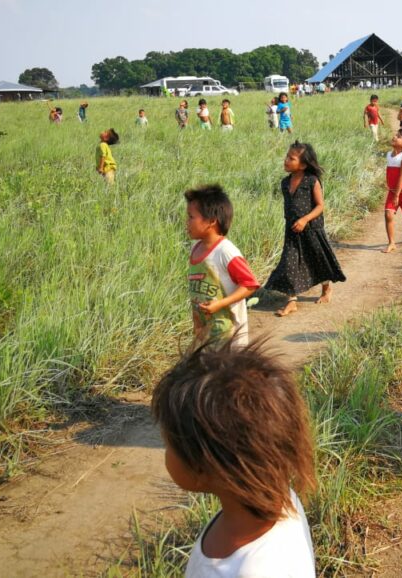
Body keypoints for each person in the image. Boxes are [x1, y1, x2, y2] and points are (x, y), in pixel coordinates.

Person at [151, 339, 316, 578]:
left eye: (168, 445)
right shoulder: (279, 496)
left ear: (205, 468)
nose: (166, 454)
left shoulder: (255, 571)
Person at [265, 142, 345, 317]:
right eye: (286, 156)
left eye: (291, 158)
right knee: (289, 263)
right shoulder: (285, 183)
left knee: (318, 260)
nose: (286, 160)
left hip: (312, 229)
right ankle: (292, 300)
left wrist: (305, 219)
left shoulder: (311, 181)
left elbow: (320, 206)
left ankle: (326, 289)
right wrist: (294, 221)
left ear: (303, 164)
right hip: (292, 230)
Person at [185, 184, 261, 349]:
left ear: (211, 221)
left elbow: (249, 285)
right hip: (206, 335)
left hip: (230, 336)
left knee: (229, 374)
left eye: (191, 217)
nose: (187, 222)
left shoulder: (226, 251)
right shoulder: (195, 248)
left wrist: (221, 304)